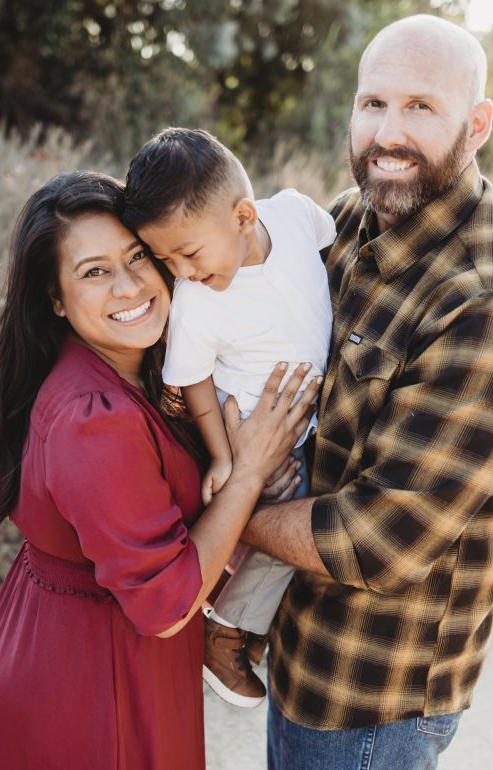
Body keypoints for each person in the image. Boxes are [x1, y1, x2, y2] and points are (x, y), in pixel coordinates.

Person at [236, 15, 493, 769]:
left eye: (421, 107)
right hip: (296, 648)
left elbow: (376, 540)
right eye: (373, 105)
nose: (388, 134)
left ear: (477, 122)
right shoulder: (352, 217)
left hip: (374, 699)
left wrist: (225, 505)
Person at [0, 170, 319, 769]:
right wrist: (247, 475)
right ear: (55, 298)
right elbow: (164, 604)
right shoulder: (96, 419)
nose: (129, 286)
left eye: (139, 256)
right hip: (97, 673)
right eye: (94, 271)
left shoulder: (130, 368)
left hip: (59, 636)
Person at [120, 127, 336, 708]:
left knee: (322, 504)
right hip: (254, 434)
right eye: (166, 260)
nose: (181, 271)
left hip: (306, 419)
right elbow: (189, 378)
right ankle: (228, 631)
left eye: (188, 253)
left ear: (244, 215)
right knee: (290, 505)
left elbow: (331, 238)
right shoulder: (199, 302)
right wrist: (223, 453)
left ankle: (253, 617)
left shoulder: (292, 215)